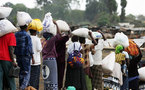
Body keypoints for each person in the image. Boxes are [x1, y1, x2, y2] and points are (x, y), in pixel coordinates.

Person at [41, 21, 62, 90]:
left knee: (47, 78)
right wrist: (56, 24)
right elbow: (59, 34)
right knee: (53, 77)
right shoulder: (51, 41)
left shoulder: (43, 42)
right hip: (51, 61)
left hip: (44, 61)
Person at [14, 24, 34, 90]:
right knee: (26, 72)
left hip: (18, 55)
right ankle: (23, 87)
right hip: (26, 56)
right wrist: (32, 57)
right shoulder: (27, 35)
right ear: (26, 28)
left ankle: (22, 86)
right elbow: (29, 46)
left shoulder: (16, 34)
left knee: (21, 72)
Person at [0, 18, 17, 90]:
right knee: (11, 79)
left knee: (0, 79)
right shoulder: (11, 35)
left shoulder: (1, 36)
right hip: (7, 59)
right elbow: (10, 49)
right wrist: (13, 61)